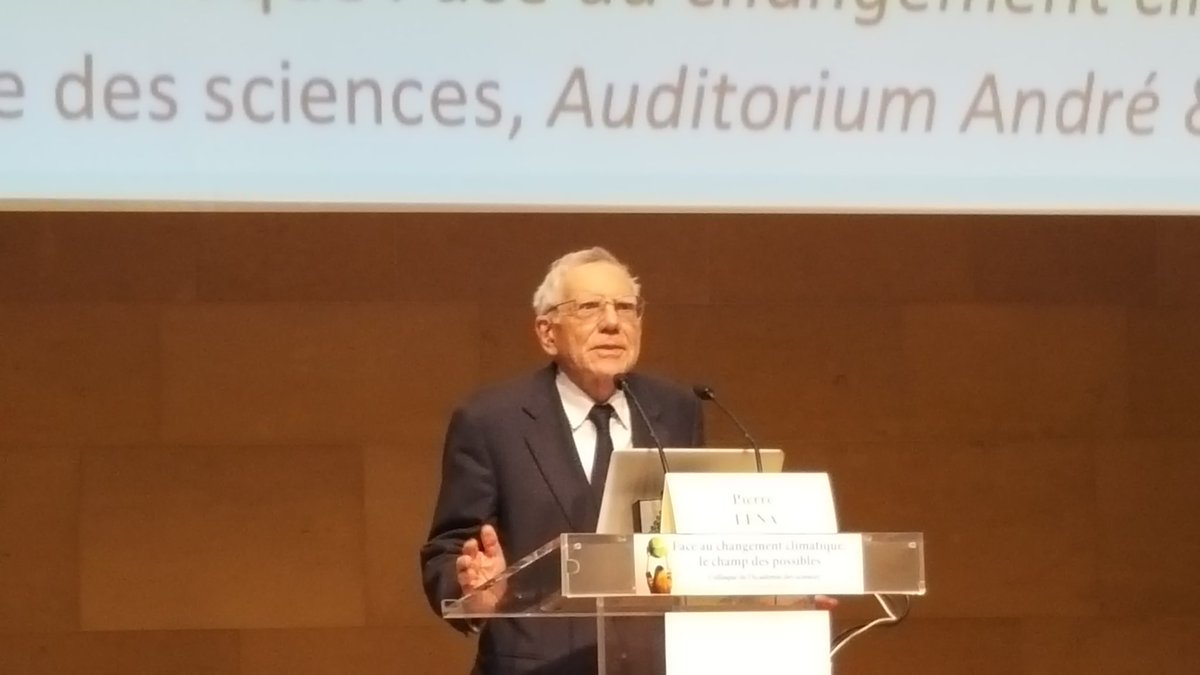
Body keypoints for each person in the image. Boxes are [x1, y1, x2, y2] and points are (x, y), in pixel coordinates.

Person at [420, 247, 705, 675]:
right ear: (547, 333)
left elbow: (697, 536)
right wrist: (474, 593)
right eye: (589, 307)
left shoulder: (677, 410)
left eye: (626, 307)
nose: (612, 322)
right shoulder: (491, 420)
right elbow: (449, 548)